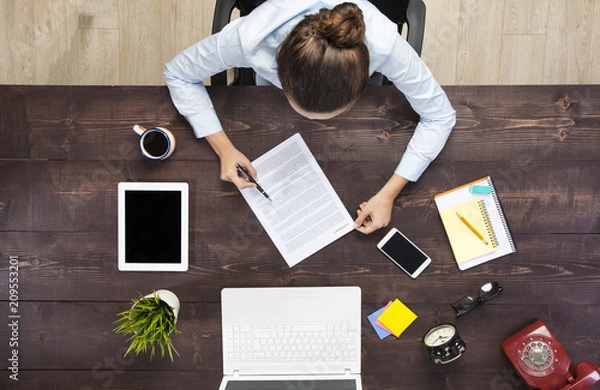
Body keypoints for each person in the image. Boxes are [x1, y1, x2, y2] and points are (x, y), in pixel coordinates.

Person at [164, 0, 456, 234]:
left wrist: (390, 193)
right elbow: (177, 73)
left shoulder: (385, 45)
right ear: (280, 66)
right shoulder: (247, 39)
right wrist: (223, 148)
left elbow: (440, 116)